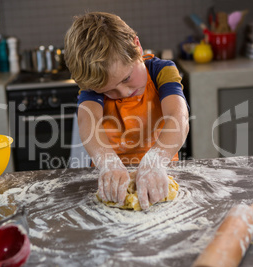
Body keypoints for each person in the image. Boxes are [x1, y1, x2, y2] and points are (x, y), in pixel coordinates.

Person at [64, 12, 189, 210]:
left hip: (161, 173)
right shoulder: (93, 85)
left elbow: (178, 116)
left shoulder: (161, 71)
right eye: (108, 91)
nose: (123, 92)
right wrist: (107, 162)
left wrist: (156, 160)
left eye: (126, 78)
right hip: (112, 182)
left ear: (136, 46)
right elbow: (88, 122)